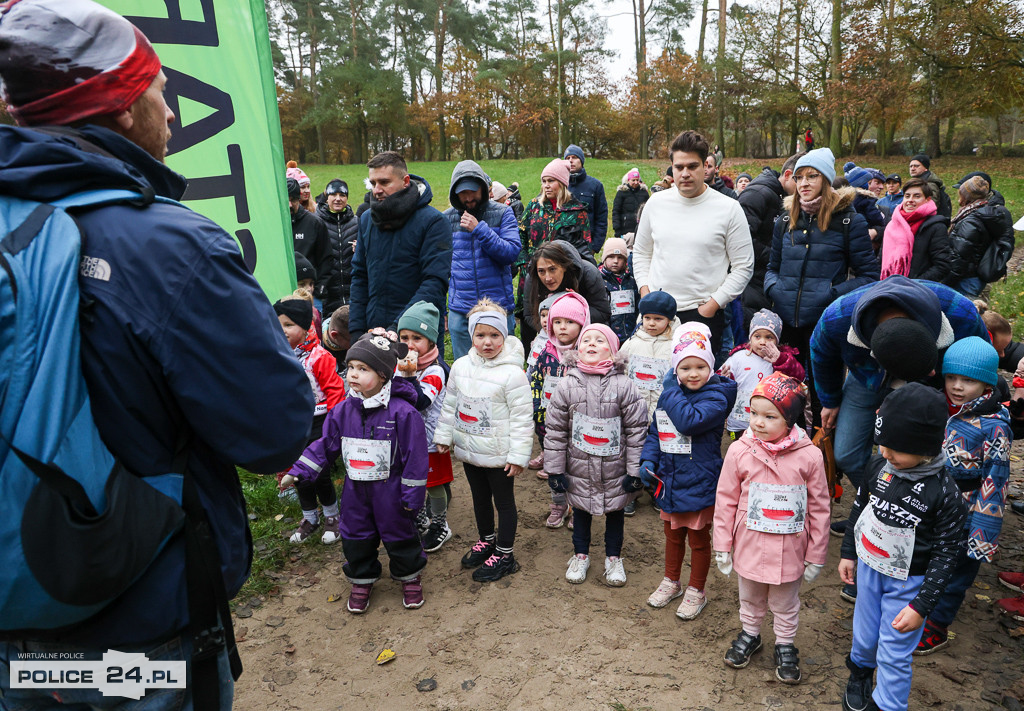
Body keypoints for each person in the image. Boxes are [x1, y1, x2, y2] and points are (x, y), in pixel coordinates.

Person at [0, 2, 313, 705]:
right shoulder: (171, 248)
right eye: (158, 93)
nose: (170, 115)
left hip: (12, 613)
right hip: (139, 617)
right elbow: (273, 431)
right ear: (117, 110)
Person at [809, 277, 988, 513]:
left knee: (930, 453)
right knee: (846, 453)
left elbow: (981, 358)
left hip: (936, 384)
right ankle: (881, 507)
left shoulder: (960, 313)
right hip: (867, 377)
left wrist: (978, 400)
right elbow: (821, 354)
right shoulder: (836, 319)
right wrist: (829, 400)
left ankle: (925, 512)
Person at [838, 384, 967, 711]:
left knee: (894, 651)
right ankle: (860, 673)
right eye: (882, 444)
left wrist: (922, 604)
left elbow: (947, 554)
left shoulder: (945, 494)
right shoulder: (878, 466)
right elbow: (860, 508)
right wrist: (849, 552)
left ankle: (888, 705)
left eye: (896, 448)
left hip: (908, 585)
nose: (885, 453)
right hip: (869, 568)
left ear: (925, 448)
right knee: (865, 633)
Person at [288, 334, 429, 613]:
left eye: (363, 369)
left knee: (399, 532)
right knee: (356, 534)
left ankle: (409, 576)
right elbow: (326, 444)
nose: (352, 374)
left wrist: (412, 496)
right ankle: (362, 578)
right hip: (355, 490)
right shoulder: (342, 411)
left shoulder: (403, 413)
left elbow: (415, 458)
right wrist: (299, 470)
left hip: (391, 490)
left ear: (383, 375)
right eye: (350, 366)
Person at [713, 373, 830, 684]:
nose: (758, 423)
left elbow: (819, 507)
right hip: (750, 541)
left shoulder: (810, 456)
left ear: (790, 419)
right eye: (753, 414)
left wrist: (816, 553)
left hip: (790, 546)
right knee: (749, 594)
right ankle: (751, 633)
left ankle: (785, 642)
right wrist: (722, 543)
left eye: (770, 416)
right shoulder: (740, 450)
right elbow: (725, 498)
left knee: (785, 601)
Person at [764, 147, 879, 423]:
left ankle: (825, 459)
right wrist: (774, 289)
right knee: (785, 393)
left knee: (822, 396)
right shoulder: (784, 220)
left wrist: (831, 296)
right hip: (787, 320)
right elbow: (772, 267)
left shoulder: (850, 221)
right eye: (799, 177)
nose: (803, 183)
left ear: (826, 180)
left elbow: (868, 277)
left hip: (824, 323)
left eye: (812, 176)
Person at [913, 338, 1012, 654]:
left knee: (957, 572)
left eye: (968, 380)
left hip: (968, 514)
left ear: (986, 382)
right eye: (951, 377)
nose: (956, 386)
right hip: (935, 506)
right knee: (931, 559)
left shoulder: (994, 426)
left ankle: (938, 625)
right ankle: (917, 607)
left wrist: (983, 534)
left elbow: (995, 482)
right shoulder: (945, 409)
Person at [640, 323, 738, 620]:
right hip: (670, 479)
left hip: (700, 481)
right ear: (675, 370)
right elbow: (658, 432)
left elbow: (688, 422)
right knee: (672, 534)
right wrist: (648, 461)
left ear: (710, 367)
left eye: (700, 366)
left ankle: (697, 589)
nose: (693, 374)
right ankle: (672, 581)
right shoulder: (672, 395)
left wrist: (669, 393)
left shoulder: (716, 398)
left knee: (697, 538)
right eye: (684, 368)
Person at [434, 299, 533, 582]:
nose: (487, 342)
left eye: (494, 335)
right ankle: (487, 540)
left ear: (504, 337)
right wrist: (443, 435)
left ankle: (504, 553)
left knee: (503, 502)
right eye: (480, 335)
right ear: (470, 335)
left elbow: (522, 418)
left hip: (499, 454)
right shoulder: (461, 366)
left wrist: (518, 456)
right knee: (479, 498)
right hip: (469, 448)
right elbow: (450, 403)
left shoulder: (513, 374)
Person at [633, 130, 754, 357]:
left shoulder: (728, 208)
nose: (685, 173)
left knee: (697, 388)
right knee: (650, 385)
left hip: (702, 315)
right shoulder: (656, 203)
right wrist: (645, 291)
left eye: (693, 166)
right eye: (679, 167)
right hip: (656, 312)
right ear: (671, 168)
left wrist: (713, 305)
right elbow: (641, 253)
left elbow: (744, 265)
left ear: (706, 166)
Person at [545, 323, 648, 586]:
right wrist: (555, 469)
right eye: (586, 340)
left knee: (615, 513)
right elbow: (556, 430)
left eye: (600, 341)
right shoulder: (567, 385)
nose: (591, 344)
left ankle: (614, 558)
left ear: (613, 352)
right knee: (581, 510)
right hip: (578, 467)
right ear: (577, 350)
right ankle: (581, 554)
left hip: (615, 468)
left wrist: (635, 471)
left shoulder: (626, 386)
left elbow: (637, 431)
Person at [350, 151, 452, 345]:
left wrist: (398, 329)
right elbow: (359, 275)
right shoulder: (366, 220)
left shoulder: (434, 222)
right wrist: (356, 330)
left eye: (384, 182)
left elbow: (434, 282)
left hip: (418, 335)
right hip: (373, 331)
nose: (377, 190)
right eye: (373, 183)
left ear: (405, 181)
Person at [275, 296, 346, 543]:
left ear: (305, 327)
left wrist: (334, 423)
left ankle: (332, 516)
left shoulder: (319, 357)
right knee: (298, 472)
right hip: (293, 424)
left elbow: (335, 391)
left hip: (319, 422)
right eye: (277, 324)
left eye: (288, 325)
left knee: (319, 472)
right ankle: (310, 517)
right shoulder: (278, 355)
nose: (281, 330)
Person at [444, 160, 520, 360]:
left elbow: (511, 253)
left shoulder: (503, 213)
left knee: (502, 372)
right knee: (464, 371)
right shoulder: (446, 219)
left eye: (473, 191)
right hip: (461, 311)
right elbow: (441, 267)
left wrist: (480, 229)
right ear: (454, 192)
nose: (468, 197)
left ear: (483, 189)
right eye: (462, 193)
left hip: (498, 307)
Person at [397, 301, 455, 553]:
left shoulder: (436, 370)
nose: (409, 344)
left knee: (433, 483)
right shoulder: (398, 366)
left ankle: (440, 524)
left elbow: (421, 400)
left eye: (417, 338)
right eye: (404, 337)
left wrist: (407, 377)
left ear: (431, 341)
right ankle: (420, 518)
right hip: (406, 438)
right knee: (410, 480)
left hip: (431, 439)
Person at [515, 159, 594, 343]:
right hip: (534, 273)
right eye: (544, 181)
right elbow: (521, 234)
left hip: (561, 277)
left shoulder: (577, 211)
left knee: (559, 318)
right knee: (531, 316)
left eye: (551, 181)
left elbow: (585, 246)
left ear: (562, 183)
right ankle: (531, 359)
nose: (546, 186)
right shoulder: (535, 206)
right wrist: (524, 263)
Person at [529, 291, 589, 523]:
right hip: (549, 422)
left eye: (570, 322)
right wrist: (537, 410)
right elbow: (536, 381)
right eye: (558, 322)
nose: (562, 327)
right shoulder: (546, 353)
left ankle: (577, 507)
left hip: (576, 425)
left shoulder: (586, 356)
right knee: (555, 467)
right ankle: (558, 504)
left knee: (576, 468)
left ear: (582, 324)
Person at [719, 309, 805, 440]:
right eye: (757, 336)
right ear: (750, 337)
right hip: (740, 422)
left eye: (769, 337)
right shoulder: (739, 357)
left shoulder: (780, 358)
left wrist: (780, 360)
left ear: (777, 340)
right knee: (741, 449)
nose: (762, 342)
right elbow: (720, 381)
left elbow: (799, 376)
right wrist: (724, 379)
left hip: (770, 423)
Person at [738, 156, 799, 317]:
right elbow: (742, 240)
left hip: (768, 279)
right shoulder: (757, 194)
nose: (804, 185)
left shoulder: (782, 197)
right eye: (799, 179)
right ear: (788, 175)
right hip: (751, 282)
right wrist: (777, 256)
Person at [522, 240, 611, 349]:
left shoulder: (589, 273)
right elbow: (529, 315)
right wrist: (553, 328)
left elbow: (603, 312)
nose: (547, 278)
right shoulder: (532, 279)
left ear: (564, 266)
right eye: (541, 271)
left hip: (587, 337)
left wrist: (576, 309)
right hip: (549, 338)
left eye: (552, 269)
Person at [947, 175, 1016, 298]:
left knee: (961, 315)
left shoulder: (971, 220)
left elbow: (959, 257)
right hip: (975, 278)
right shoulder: (986, 212)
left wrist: (945, 282)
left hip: (965, 280)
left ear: (966, 196)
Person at [879, 177, 950, 282]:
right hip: (888, 286)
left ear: (927, 199)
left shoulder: (936, 226)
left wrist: (913, 284)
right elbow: (880, 260)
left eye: (917, 196)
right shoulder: (892, 225)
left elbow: (942, 266)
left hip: (918, 289)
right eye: (907, 196)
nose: (910, 200)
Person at [288, 176, 334, 306]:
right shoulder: (273, 225)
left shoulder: (314, 223)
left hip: (311, 296)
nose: (290, 205)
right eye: (286, 200)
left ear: (299, 199)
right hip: (283, 295)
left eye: (293, 200)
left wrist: (319, 290)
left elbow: (326, 259)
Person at [316, 178, 359, 312]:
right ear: (326, 197)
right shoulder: (316, 222)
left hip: (353, 295)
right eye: (333, 194)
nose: (338, 199)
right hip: (326, 297)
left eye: (342, 195)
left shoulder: (357, 222)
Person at [564, 144, 609, 250]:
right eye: (568, 158)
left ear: (581, 161)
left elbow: (601, 217)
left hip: (586, 246)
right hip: (562, 246)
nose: (571, 161)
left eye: (574, 157)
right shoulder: (559, 185)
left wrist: (595, 247)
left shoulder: (595, 185)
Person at [599, 237, 641, 343]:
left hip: (630, 333)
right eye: (611, 257)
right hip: (607, 336)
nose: (616, 261)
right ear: (604, 258)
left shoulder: (632, 280)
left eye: (620, 257)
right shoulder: (598, 281)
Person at [843, 164, 886, 246]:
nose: (881, 187)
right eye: (876, 182)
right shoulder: (867, 200)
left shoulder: (846, 199)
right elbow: (876, 218)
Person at [908, 153, 952, 219]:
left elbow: (931, 207)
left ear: (926, 168)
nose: (912, 168)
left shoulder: (929, 185)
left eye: (916, 166)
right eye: (911, 166)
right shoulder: (918, 182)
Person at [612, 168, 649, 242]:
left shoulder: (644, 193)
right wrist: (617, 229)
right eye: (633, 180)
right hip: (625, 229)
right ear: (628, 180)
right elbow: (616, 211)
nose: (635, 182)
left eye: (637, 180)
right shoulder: (621, 193)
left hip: (640, 229)